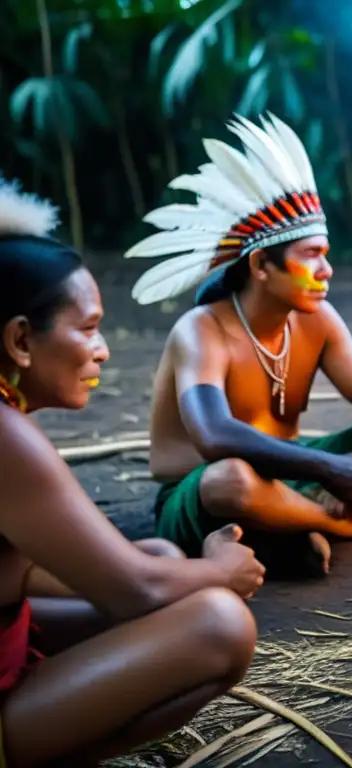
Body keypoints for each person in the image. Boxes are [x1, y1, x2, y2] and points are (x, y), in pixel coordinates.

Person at [0, 177, 263, 764]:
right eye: (88, 327)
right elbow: (134, 590)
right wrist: (219, 570)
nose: (103, 349)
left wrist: (175, 569)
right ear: (21, 339)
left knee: (165, 562)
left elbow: (28, 567)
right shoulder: (5, 436)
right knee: (221, 623)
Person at [125, 113, 352, 579]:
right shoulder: (202, 331)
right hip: (200, 492)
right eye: (311, 256)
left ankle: (292, 521)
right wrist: (330, 470)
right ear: (260, 265)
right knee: (231, 479)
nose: (326, 270)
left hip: (294, 472)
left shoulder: (317, 321)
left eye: (326, 255)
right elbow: (213, 435)